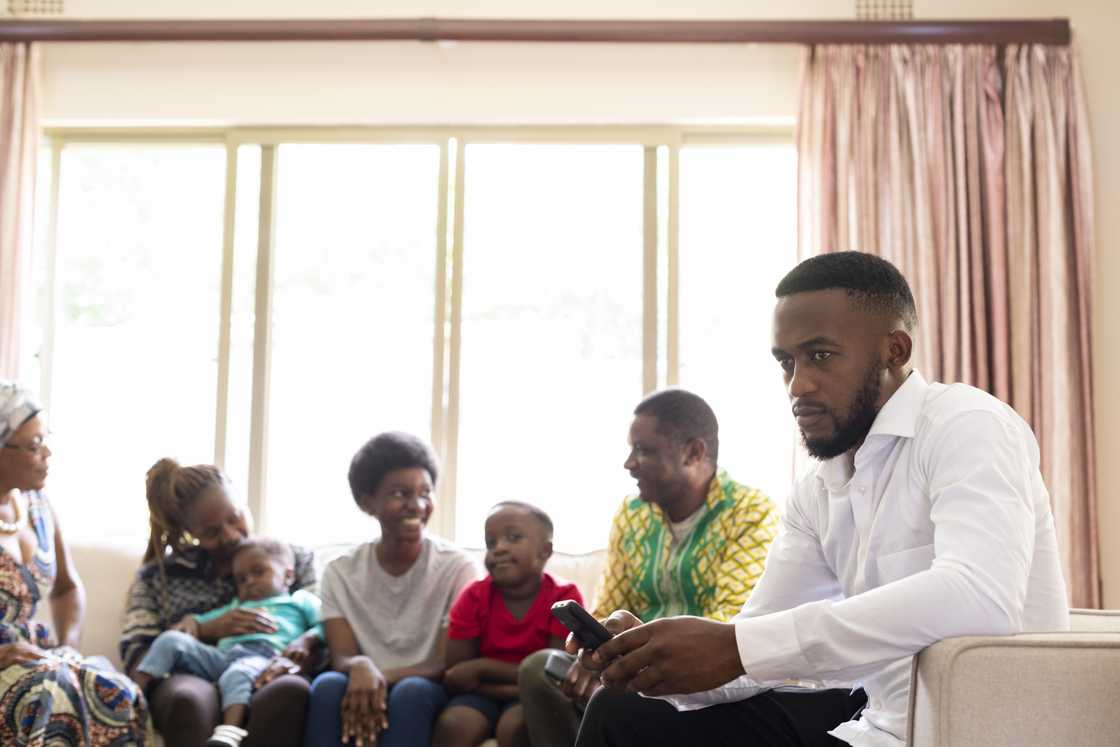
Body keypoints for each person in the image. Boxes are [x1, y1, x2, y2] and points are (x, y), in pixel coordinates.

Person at [571, 251, 1070, 747]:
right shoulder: (817, 490)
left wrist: (740, 645)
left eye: (821, 356)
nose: (798, 385)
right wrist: (654, 656)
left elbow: (981, 598)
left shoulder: (967, 425)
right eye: (786, 362)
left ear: (895, 350)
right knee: (622, 711)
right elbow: (748, 653)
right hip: (873, 726)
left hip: (980, 731)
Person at [519, 388, 779, 747]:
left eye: (644, 450)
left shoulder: (751, 512)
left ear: (694, 452)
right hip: (628, 667)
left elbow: (729, 622)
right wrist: (595, 653)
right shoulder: (632, 514)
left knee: (622, 697)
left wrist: (641, 659)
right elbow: (611, 602)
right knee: (539, 670)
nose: (629, 463)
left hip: (701, 677)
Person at [122, 458, 320, 747]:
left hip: (270, 666)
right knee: (188, 698)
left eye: (235, 518)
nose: (230, 536)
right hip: (193, 674)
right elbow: (136, 654)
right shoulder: (159, 577)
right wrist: (206, 629)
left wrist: (295, 659)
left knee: (288, 690)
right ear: (189, 532)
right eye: (211, 532)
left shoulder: (291, 559)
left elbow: (326, 628)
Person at [0, 380, 154, 745]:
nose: (48, 453)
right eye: (35, 446)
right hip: (10, 663)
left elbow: (68, 588)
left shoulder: (37, 508)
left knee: (113, 690)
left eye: (45, 438)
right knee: (47, 693)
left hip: (36, 655)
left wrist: (68, 644)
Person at [304, 432, 480, 747]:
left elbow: (445, 663)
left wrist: (378, 678)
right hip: (358, 678)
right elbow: (342, 655)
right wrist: (359, 665)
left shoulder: (458, 568)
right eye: (400, 493)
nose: (417, 505)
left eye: (426, 492)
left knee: (411, 692)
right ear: (366, 502)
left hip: (427, 683)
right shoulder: (340, 571)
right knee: (328, 685)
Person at [133, 538, 323, 746]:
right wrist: (192, 622)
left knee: (237, 674)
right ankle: (133, 694)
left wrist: (305, 641)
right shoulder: (236, 605)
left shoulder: (300, 600)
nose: (249, 581)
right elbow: (198, 622)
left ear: (288, 575)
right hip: (223, 658)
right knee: (171, 640)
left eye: (258, 572)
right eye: (241, 579)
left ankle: (229, 732)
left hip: (264, 658)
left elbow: (325, 625)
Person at [434, 502, 582, 747]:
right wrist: (502, 680)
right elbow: (457, 674)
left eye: (513, 538)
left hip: (534, 698)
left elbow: (554, 675)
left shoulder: (564, 598)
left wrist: (482, 668)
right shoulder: (473, 596)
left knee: (515, 727)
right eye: (490, 543)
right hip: (479, 696)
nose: (499, 548)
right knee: (456, 724)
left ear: (545, 551)